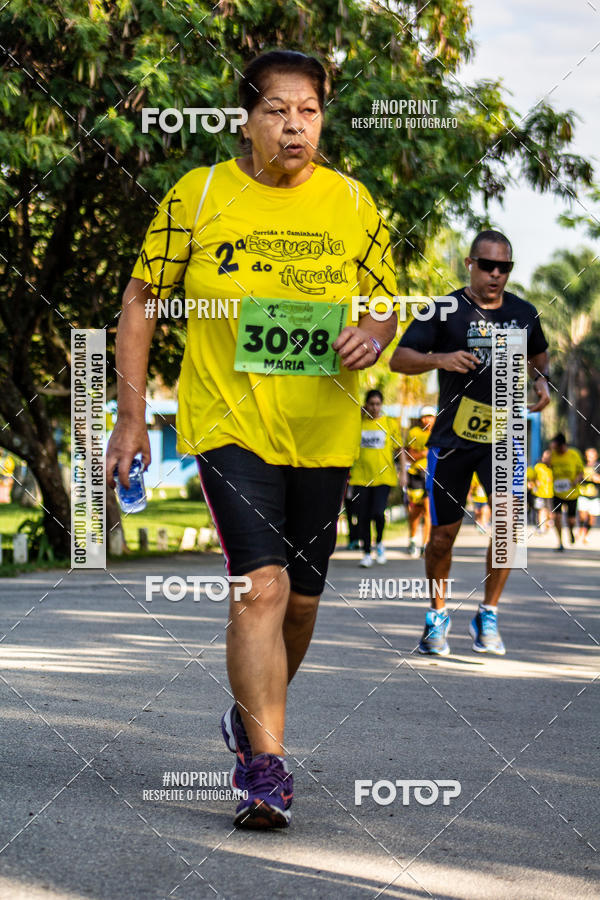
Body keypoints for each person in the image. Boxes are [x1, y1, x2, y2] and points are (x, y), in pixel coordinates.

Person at [105, 50, 398, 829]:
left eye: (308, 109)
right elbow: (140, 301)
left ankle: (251, 714)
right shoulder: (197, 195)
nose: (294, 124)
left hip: (324, 430)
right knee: (259, 588)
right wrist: (131, 419)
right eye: (277, 109)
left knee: (300, 605)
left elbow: (383, 305)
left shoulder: (354, 204)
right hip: (227, 423)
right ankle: (264, 769)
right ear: (246, 118)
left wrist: (374, 331)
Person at [390, 229, 550, 656]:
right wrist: (440, 359)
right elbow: (398, 359)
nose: (496, 275)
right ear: (470, 265)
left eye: (505, 268)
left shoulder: (524, 313)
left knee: (509, 532)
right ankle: (437, 616)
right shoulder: (443, 311)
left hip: (505, 437)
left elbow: (539, 355)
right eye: (488, 266)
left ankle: (488, 615)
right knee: (442, 536)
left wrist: (541, 380)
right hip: (453, 439)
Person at [349, 389, 401, 567]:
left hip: (383, 476)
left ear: (382, 405)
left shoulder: (389, 423)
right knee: (362, 515)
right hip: (361, 477)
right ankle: (366, 553)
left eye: (378, 404)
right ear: (366, 404)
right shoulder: (357, 423)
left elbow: (398, 448)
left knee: (378, 513)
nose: (374, 407)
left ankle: (379, 543)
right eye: (371, 404)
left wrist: (403, 476)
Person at [404, 405, 436, 557]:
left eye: (430, 416)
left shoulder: (439, 434)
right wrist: (424, 453)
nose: (427, 419)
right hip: (416, 475)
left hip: (432, 476)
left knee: (428, 510)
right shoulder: (413, 433)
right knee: (416, 512)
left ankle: (425, 544)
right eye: (424, 416)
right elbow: (409, 455)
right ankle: (412, 539)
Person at [549, 433, 584, 551]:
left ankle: (570, 530)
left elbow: (581, 472)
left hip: (572, 492)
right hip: (557, 492)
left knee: (571, 519)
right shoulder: (552, 454)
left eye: (558, 447)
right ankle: (560, 542)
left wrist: (577, 479)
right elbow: (546, 466)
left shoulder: (574, 454)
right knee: (557, 517)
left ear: (563, 445)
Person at [577, 447, 600, 543]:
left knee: (591, 519)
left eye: (591, 456)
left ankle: (585, 533)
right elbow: (577, 477)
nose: (589, 458)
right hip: (583, 494)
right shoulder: (582, 465)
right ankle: (582, 530)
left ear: (596, 456)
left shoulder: (598, 466)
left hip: (595, 496)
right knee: (582, 515)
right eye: (587, 456)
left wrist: (596, 479)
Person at [531, 449, 553, 533]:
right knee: (541, 510)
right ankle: (540, 526)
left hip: (550, 494)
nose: (546, 458)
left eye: (548, 457)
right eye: (544, 456)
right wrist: (533, 482)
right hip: (539, 493)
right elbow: (531, 476)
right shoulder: (538, 467)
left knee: (549, 512)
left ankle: (547, 523)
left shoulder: (553, 467)